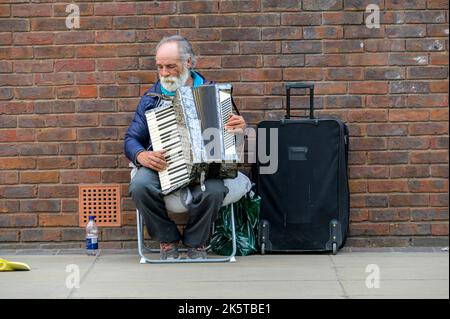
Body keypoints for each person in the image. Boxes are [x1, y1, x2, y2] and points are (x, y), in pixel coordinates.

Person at [124, 35, 247, 260]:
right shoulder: (151, 98)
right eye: (160, 67)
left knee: (215, 190)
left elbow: (235, 144)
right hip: (164, 165)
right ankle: (168, 240)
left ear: (189, 63)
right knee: (140, 186)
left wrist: (240, 130)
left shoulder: (215, 94)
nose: (164, 73)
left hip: (206, 166)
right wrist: (141, 154)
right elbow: (131, 139)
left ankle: (195, 242)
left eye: (171, 66)